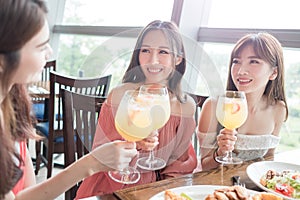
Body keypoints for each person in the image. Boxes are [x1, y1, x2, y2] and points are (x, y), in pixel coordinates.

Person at [0, 1, 137, 199]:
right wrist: (91, 163)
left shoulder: (12, 105)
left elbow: (25, 194)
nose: (50, 53)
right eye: (40, 47)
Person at [75, 20, 197, 199]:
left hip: (155, 191)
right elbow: (100, 155)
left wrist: (162, 193)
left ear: (178, 58)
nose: (152, 60)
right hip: (109, 187)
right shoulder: (120, 96)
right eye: (145, 50)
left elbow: (179, 167)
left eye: (163, 52)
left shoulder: (185, 106)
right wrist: (132, 145)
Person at [196, 32, 288, 171]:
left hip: (251, 187)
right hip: (214, 185)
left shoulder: (278, 109)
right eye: (236, 61)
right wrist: (220, 152)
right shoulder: (214, 106)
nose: (241, 70)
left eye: (254, 61)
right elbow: (205, 166)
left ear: (274, 72)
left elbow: (269, 158)